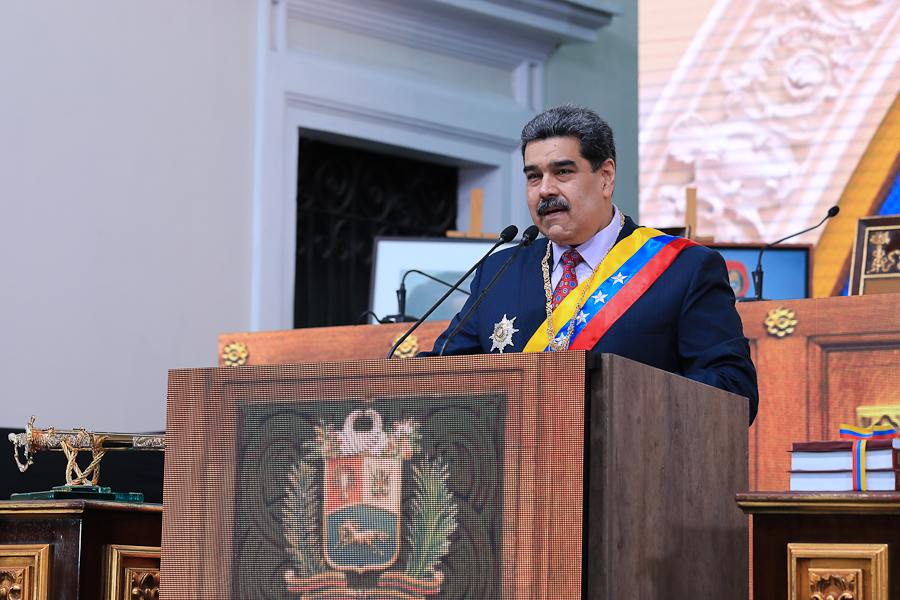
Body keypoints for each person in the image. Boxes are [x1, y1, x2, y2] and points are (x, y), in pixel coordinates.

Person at [423, 104, 758, 424]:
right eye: (534, 177)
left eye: (563, 172)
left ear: (606, 177)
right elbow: (436, 376)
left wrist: (631, 398)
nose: (545, 190)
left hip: (632, 473)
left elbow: (734, 389)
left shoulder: (683, 268)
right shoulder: (499, 272)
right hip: (517, 475)